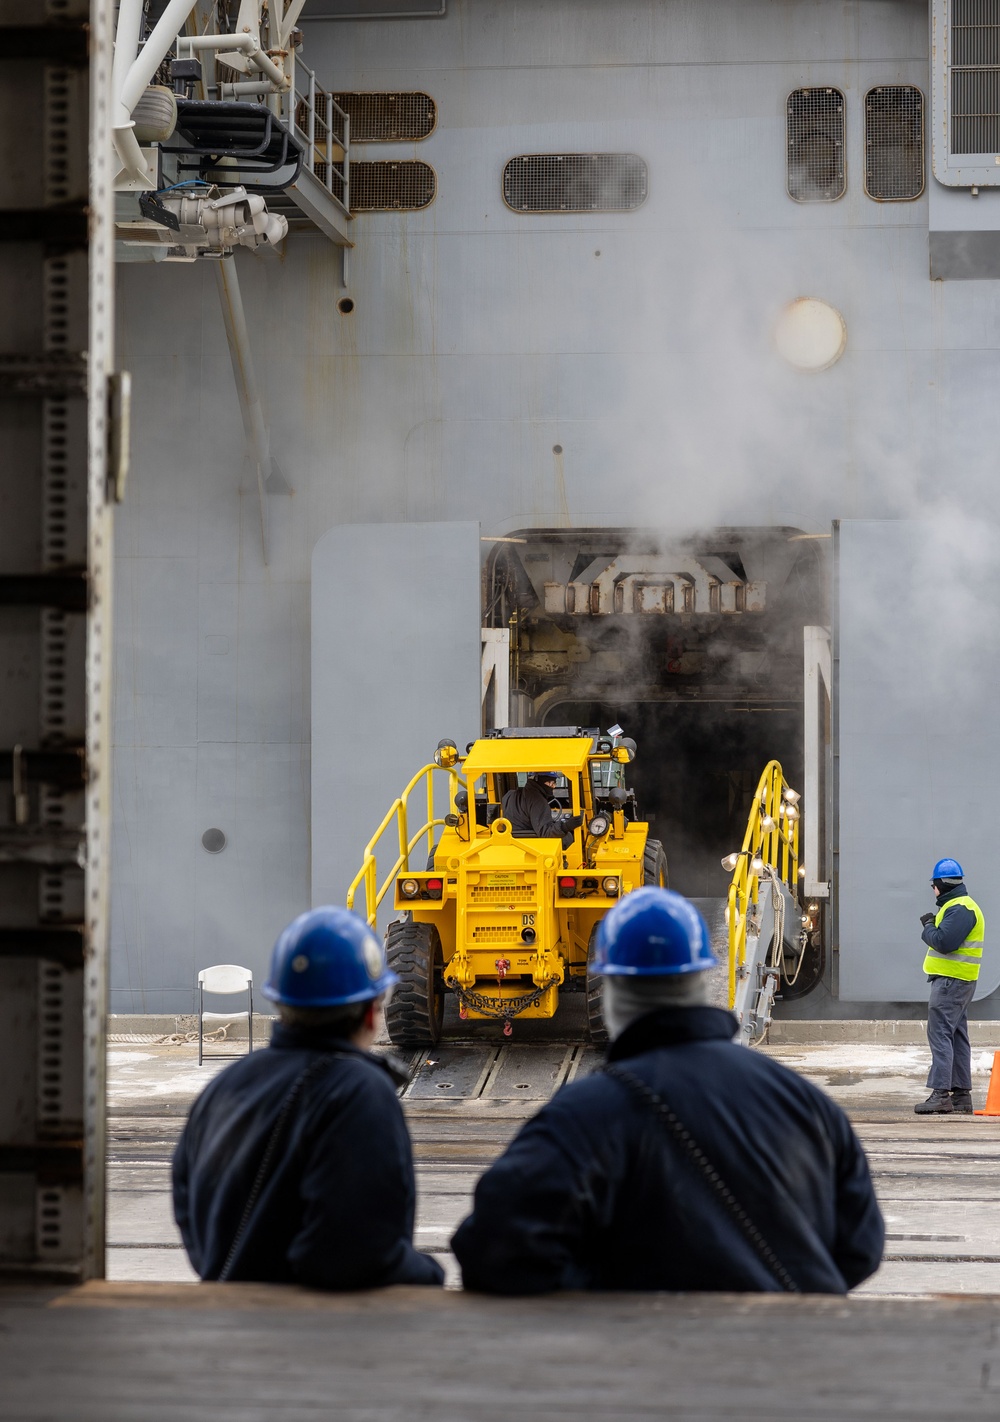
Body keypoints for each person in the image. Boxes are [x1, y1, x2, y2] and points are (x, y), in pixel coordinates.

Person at [451, 887, 884, 1295]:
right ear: (702, 981)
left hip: (654, 1362)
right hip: (791, 1359)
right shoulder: (802, 1100)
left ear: (611, 991)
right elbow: (860, 1249)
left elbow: (490, 1252)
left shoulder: (585, 1116)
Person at [172, 906, 444, 1289]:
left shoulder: (225, 1085)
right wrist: (430, 1274)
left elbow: (187, 1206)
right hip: (310, 1337)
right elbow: (356, 1255)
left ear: (282, 1004)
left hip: (226, 1321)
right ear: (370, 1013)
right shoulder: (359, 1093)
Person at [915, 858, 986, 1115]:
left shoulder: (959, 908)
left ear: (941, 885)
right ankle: (961, 1096)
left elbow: (944, 942)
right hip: (959, 981)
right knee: (956, 1035)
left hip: (950, 982)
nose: (933, 891)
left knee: (940, 1034)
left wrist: (928, 926)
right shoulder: (962, 906)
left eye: (933, 885)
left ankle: (941, 1094)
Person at [501, 771, 581, 848]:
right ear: (540, 781)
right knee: (567, 837)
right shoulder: (538, 801)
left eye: (554, 783)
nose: (553, 786)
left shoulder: (509, 795)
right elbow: (545, 832)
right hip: (531, 845)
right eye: (551, 783)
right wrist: (566, 826)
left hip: (511, 842)